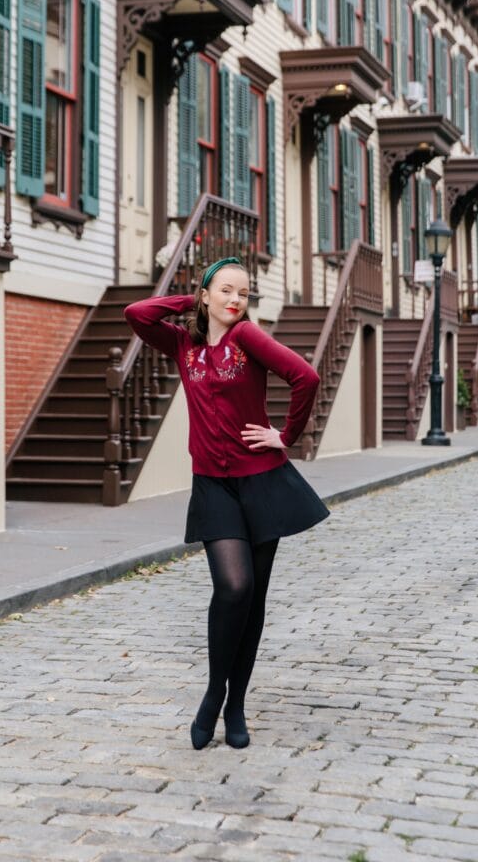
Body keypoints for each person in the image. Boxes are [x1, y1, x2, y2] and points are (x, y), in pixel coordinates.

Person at [124, 256, 329, 750]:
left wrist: (285, 435)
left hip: (262, 481)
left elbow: (306, 377)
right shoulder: (183, 342)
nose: (236, 299)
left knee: (253, 599)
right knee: (233, 587)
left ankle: (236, 706)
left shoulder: (247, 338)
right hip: (212, 485)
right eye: (226, 290)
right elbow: (137, 313)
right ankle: (214, 693)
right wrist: (191, 302)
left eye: (244, 292)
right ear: (207, 294)